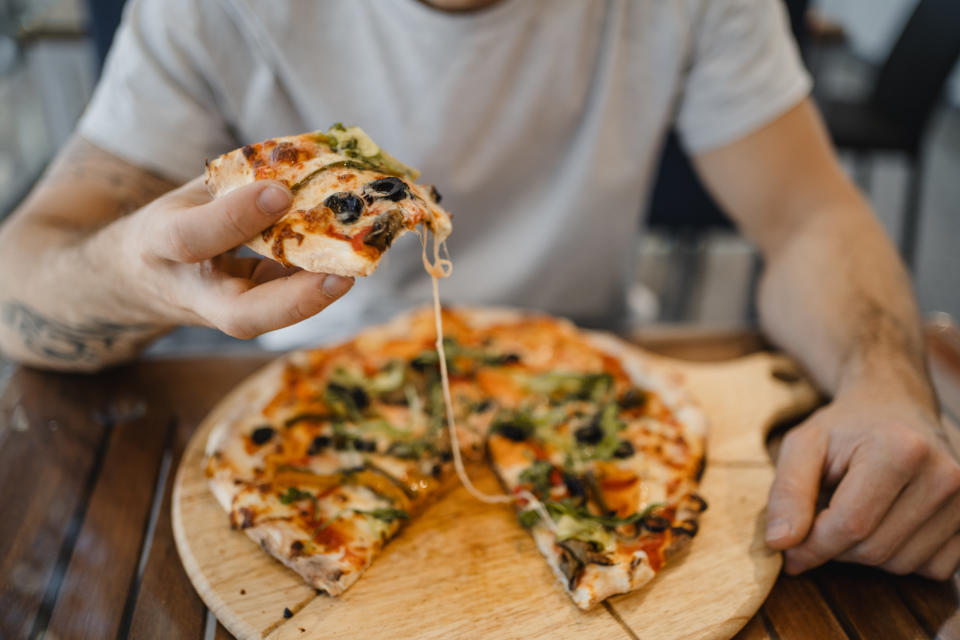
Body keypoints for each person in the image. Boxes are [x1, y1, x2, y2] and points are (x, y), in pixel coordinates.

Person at [1, 0, 958, 581]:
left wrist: (887, 381)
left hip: (593, 393)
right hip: (306, 402)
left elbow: (808, 216)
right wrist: (129, 269)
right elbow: (23, 279)